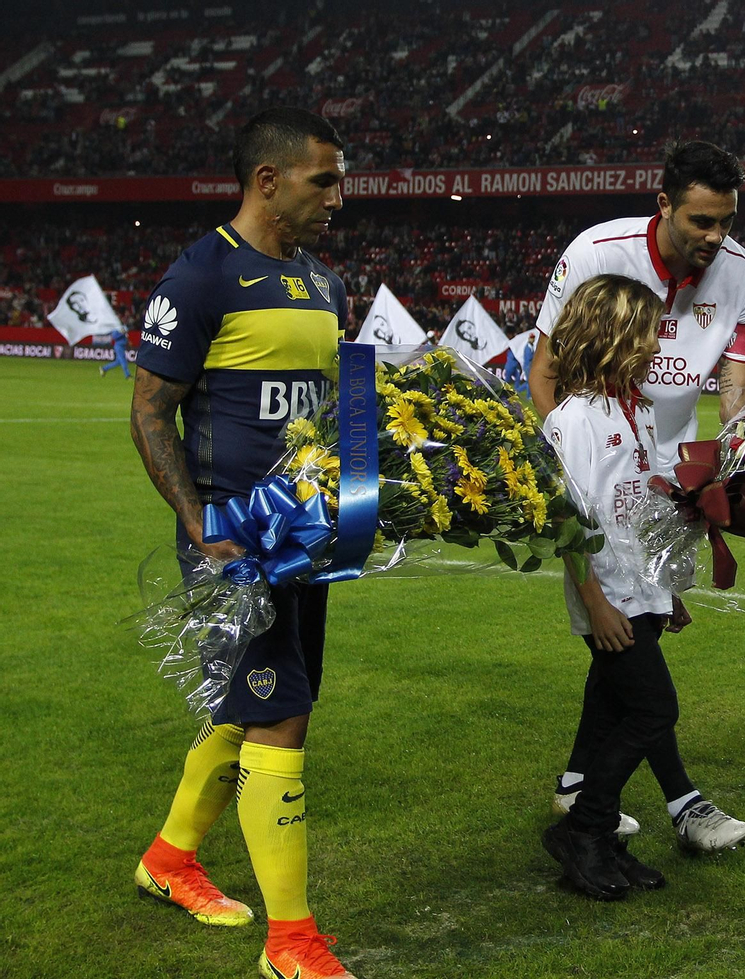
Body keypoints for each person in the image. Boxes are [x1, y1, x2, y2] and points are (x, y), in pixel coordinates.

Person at [128, 107, 358, 979]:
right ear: (269, 180)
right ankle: (292, 942)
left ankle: (169, 859)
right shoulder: (201, 275)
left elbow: (327, 414)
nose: (337, 197)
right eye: (323, 180)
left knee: (254, 707)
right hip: (233, 542)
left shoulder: (325, 284)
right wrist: (201, 528)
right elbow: (150, 410)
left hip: (307, 535)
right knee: (278, 713)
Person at [529, 140, 745, 854]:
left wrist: (736, 467)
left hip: (664, 476)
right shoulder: (596, 253)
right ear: (664, 205)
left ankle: (578, 786)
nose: (715, 237)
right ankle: (678, 803)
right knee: (638, 665)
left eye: (726, 221)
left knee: (632, 644)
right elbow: (545, 370)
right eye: (701, 221)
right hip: (601, 467)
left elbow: (736, 392)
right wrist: (570, 466)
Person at [540, 274, 682, 900]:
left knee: (614, 712)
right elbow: (567, 520)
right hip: (609, 596)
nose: (656, 346)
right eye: (647, 333)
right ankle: (585, 829)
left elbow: (643, 510)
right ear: (612, 335)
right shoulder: (575, 420)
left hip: (642, 590)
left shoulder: (637, 410)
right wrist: (595, 603)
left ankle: (597, 838)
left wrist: (669, 588)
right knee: (654, 710)